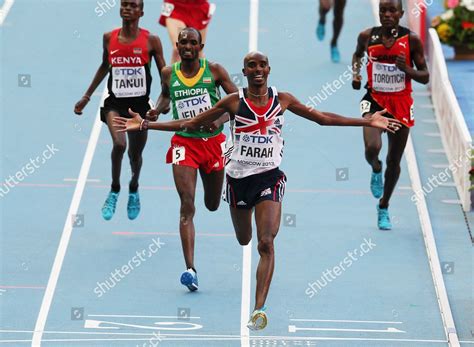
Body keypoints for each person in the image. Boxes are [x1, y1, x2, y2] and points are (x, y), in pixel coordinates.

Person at [114, 51, 402, 330]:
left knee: (265, 242)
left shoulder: (283, 99)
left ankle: (259, 309)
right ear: (245, 71)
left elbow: (322, 118)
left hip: (269, 178)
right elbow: (190, 123)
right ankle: (243, 247)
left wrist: (367, 120)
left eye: (262, 64)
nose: (257, 69)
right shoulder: (232, 103)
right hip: (239, 181)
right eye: (251, 65)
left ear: (268, 69)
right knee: (244, 239)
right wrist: (146, 124)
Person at [146, 27, 237, 292]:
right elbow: (165, 95)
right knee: (187, 205)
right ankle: (190, 269)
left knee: (211, 204)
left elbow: (238, 104)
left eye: (192, 42)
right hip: (184, 143)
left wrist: (218, 119)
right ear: (177, 44)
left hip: (213, 144)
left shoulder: (215, 71)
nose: (187, 46)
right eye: (183, 42)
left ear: (200, 46)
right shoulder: (168, 73)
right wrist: (155, 110)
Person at [74, 0, 166, 221]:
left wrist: (165, 102)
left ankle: (133, 188)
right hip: (114, 104)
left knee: (135, 155)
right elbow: (105, 65)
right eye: (124, 4)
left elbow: (166, 73)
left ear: (141, 12)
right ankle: (115, 189)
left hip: (141, 107)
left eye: (133, 6)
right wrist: (87, 96)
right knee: (119, 144)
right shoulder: (109, 37)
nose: (127, 8)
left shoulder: (151, 41)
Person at [352, 0, 429, 230]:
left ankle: (384, 205)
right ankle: (375, 168)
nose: (386, 14)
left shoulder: (411, 40)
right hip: (374, 100)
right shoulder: (367, 36)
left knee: (394, 161)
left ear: (400, 13)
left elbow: (425, 76)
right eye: (383, 10)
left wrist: (407, 69)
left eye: (391, 11)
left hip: (401, 104)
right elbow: (357, 56)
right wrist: (356, 76)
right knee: (372, 148)